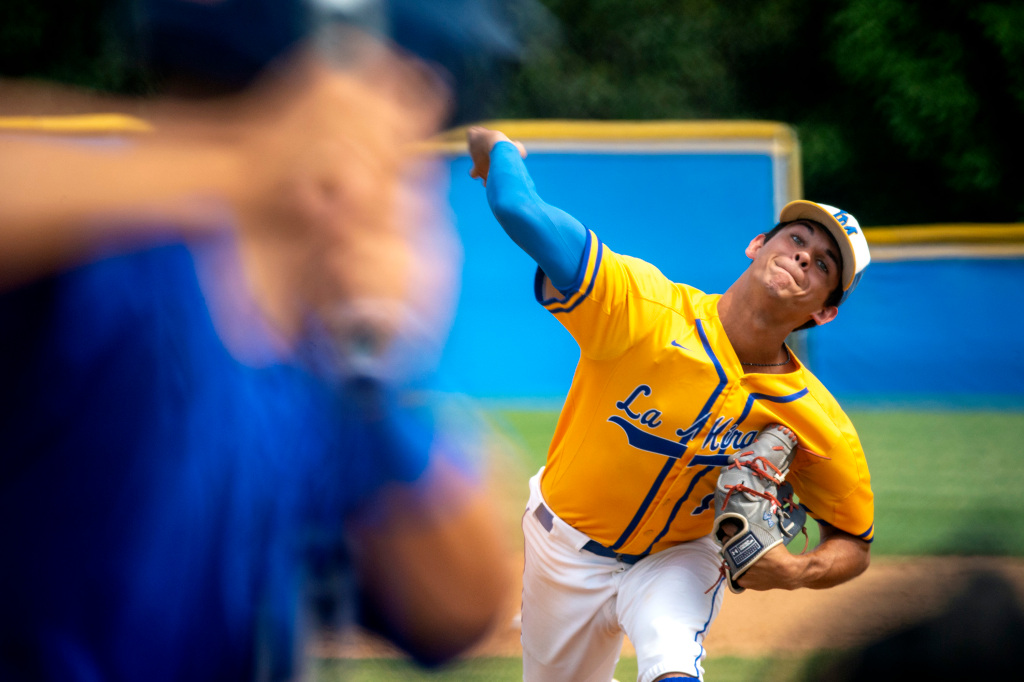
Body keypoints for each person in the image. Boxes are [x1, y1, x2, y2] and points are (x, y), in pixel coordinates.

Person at [0, 3, 546, 680]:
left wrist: (389, 374)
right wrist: (254, 162)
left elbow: (458, 611)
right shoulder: (102, 258)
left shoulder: (312, 346)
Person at [466, 126, 875, 682]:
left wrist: (798, 570)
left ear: (824, 311)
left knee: (672, 663)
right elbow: (519, 208)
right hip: (562, 549)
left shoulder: (815, 420)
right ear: (758, 243)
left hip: (679, 557)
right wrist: (499, 151)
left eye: (825, 265)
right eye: (797, 239)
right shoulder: (642, 309)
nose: (804, 258)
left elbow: (854, 540)